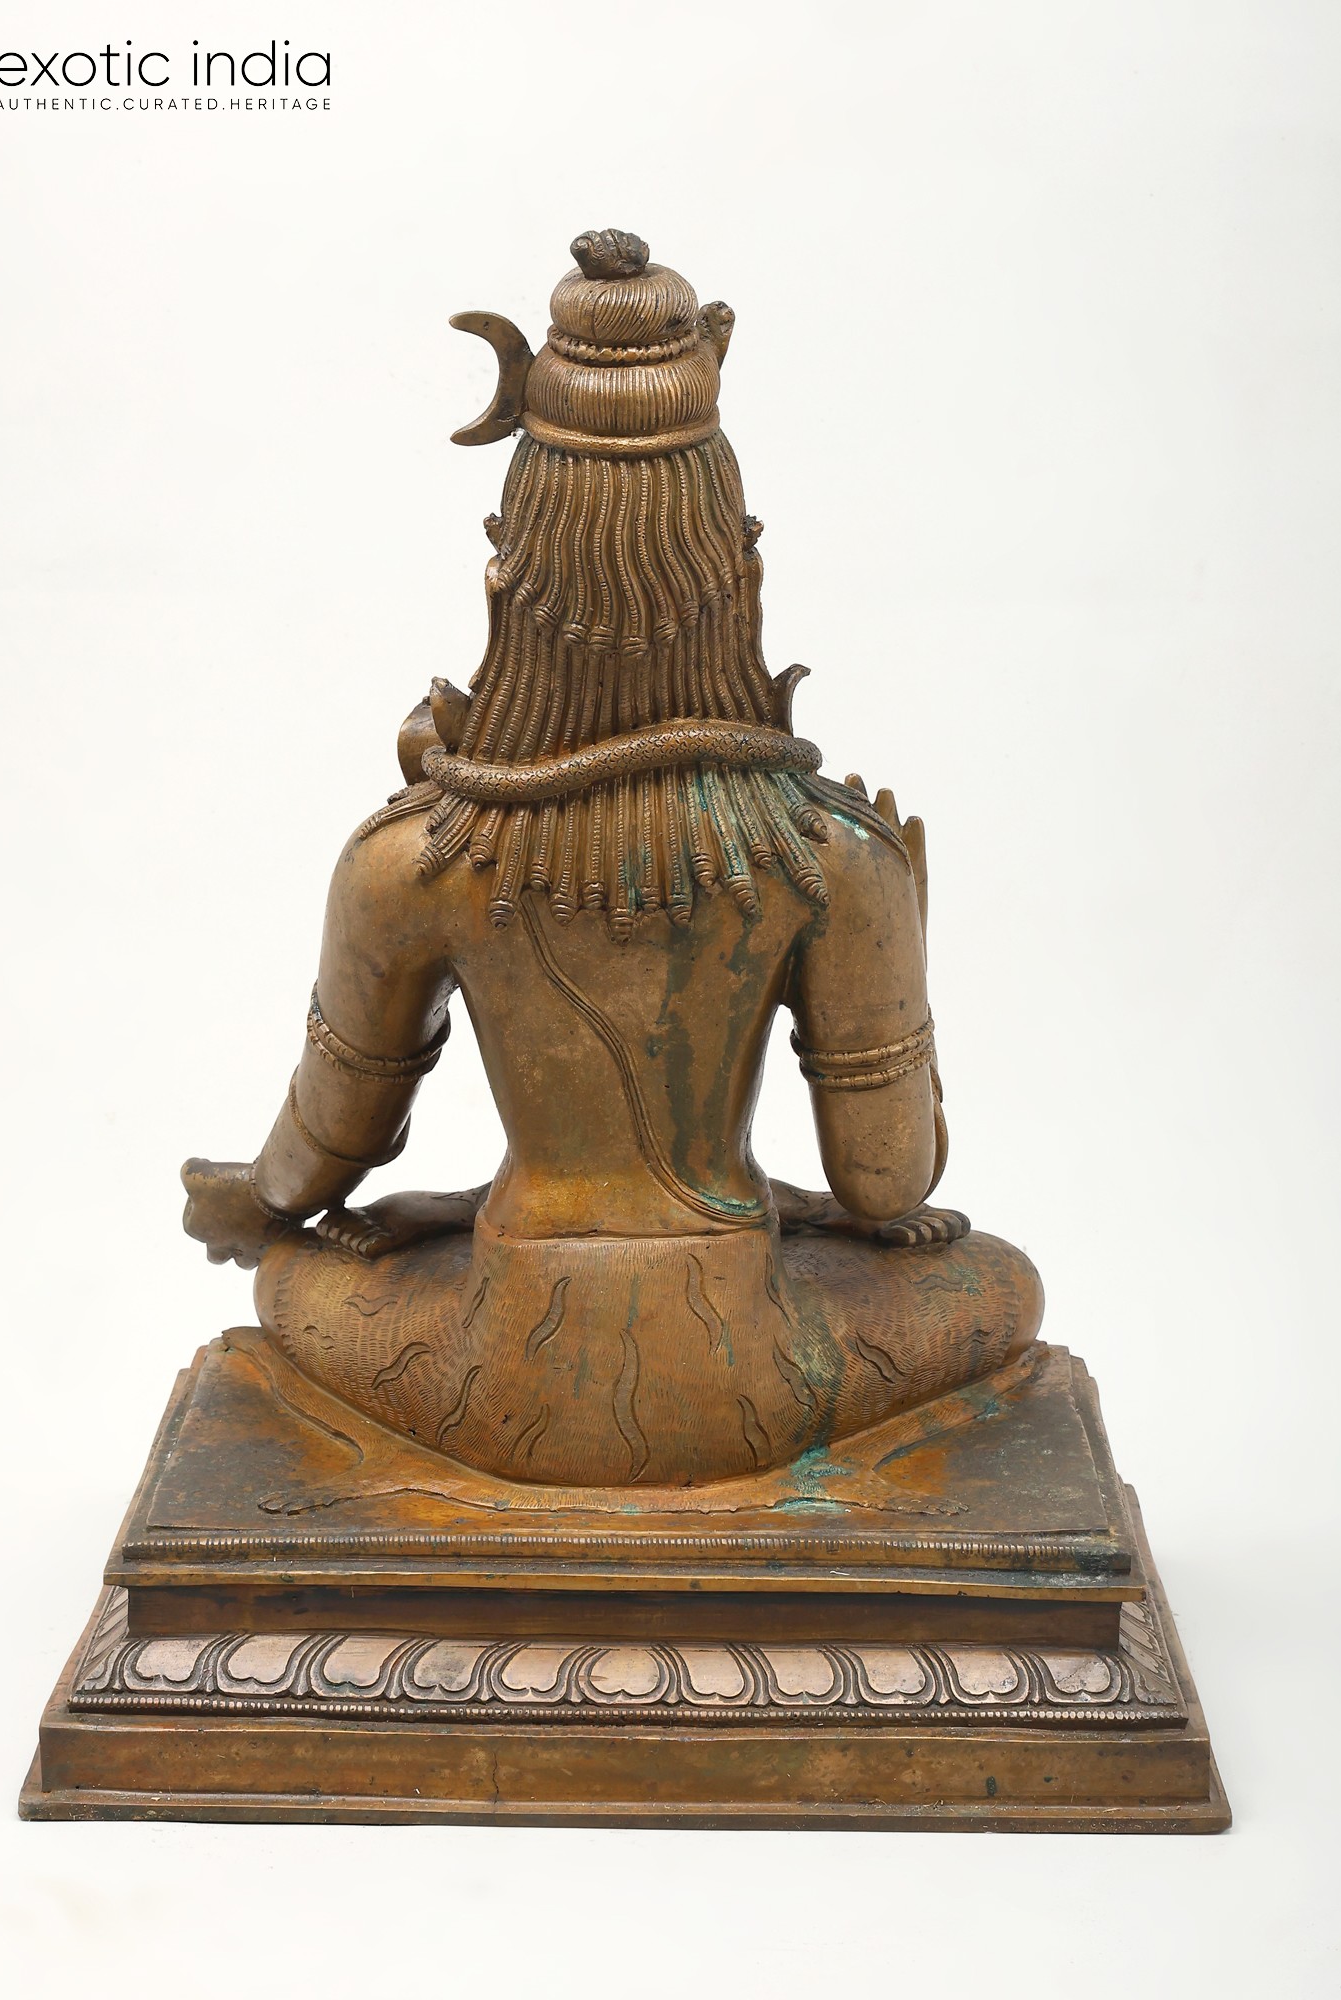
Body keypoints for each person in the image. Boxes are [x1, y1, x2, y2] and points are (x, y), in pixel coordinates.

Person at [182, 230, 1043, 1487]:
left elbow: (319, 1155)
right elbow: (887, 1184)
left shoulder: (412, 856)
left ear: (512, 572)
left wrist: (250, 1201)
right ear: (735, 565)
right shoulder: (830, 857)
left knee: (289, 1274)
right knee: (1002, 1284)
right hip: (758, 1373)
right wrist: (908, 917)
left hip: (492, 1376)